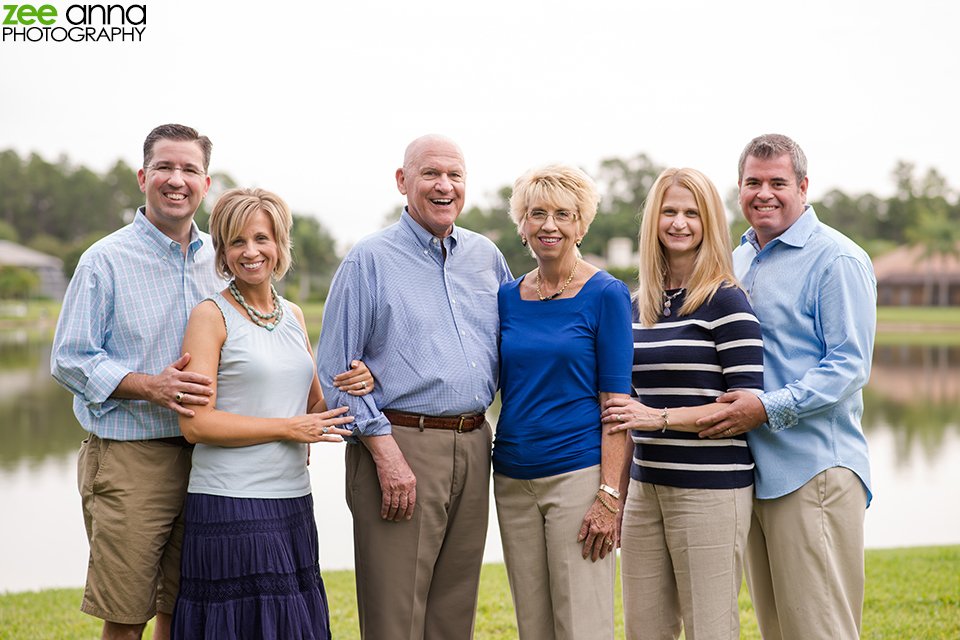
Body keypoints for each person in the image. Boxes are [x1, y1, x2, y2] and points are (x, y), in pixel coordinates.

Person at [316, 134, 513, 640]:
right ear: (403, 181)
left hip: (476, 442)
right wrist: (386, 454)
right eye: (430, 174)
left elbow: (515, 346)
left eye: (455, 175)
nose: (444, 185)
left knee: (453, 615)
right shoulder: (369, 260)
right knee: (395, 618)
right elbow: (335, 372)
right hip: (399, 444)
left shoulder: (486, 257)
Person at [169, 188, 372, 639]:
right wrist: (288, 428)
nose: (250, 251)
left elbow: (316, 408)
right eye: (236, 242)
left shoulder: (294, 315)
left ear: (279, 244)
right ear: (222, 251)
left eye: (261, 238)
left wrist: (357, 381)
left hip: (292, 500)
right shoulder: (210, 316)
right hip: (231, 502)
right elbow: (195, 424)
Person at [697, 134, 877, 640]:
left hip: (812, 470)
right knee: (777, 629)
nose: (764, 193)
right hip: (754, 472)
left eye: (777, 182)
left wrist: (766, 408)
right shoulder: (736, 259)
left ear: (802, 186)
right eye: (752, 182)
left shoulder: (836, 259)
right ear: (739, 188)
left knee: (820, 629)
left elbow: (849, 365)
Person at [51, 124, 222, 640]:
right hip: (131, 459)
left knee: (184, 608)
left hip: (209, 459)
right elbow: (70, 359)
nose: (177, 179)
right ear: (144, 177)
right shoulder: (104, 260)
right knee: (127, 617)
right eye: (165, 167)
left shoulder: (221, 259)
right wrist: (151, 386)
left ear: (206, 182)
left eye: (190, 169)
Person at [601, 168, 764, 640]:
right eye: (669, 211)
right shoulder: (638, 307)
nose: (679, 222)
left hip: (711, 490)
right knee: (644, 629)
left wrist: (659, 418)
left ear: (709, 222)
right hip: (644, 488)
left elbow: (744, 409)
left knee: (710, 629)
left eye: (692, 213)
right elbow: (627, 408)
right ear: (653, 219)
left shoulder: (727, 302)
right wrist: (617, 495)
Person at [493, 164, 633, 639]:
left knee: (582, 626)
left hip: (577, 477)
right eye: (537, 213)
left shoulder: (606, 294)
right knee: (533, 626)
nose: (548, 225)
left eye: (562, 214)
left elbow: (616, 405)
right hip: (511, 478)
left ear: (581, 224)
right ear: (522, 224)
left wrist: (609, 495)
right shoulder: (507, 297)